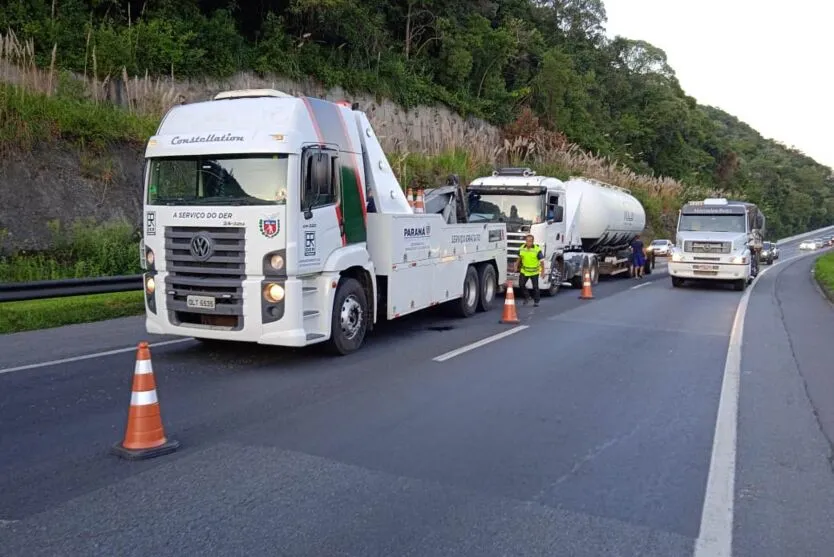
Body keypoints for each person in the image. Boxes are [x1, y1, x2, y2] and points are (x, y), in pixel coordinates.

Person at [515, 234, 545, 306]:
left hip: (534, 272)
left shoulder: (537, 250)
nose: (529, 243)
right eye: (527, 241)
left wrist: (542, 271)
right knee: (521, 285)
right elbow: (519, 258)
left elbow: (542, 262)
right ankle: (527, 297)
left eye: (530, 241)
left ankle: (536, 301)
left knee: (535, 287)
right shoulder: (522, 248)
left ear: (533, 242)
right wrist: (516, 265)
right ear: (525, 241)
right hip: (524, 271)